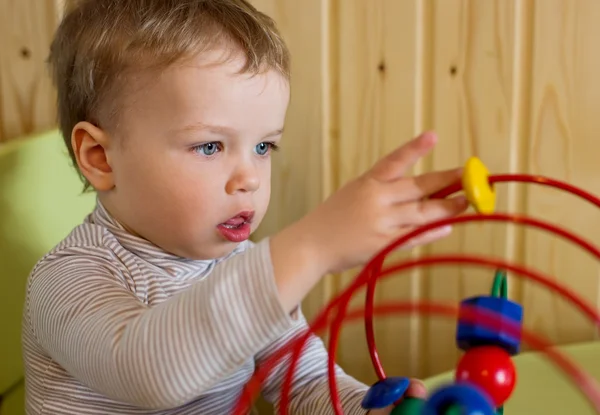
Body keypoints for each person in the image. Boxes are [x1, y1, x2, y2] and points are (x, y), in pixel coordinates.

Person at [22, 0, 469, 414]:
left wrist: (363, 407)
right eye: (210, 146)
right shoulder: (68, 279)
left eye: (263, 146)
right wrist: (312, 245)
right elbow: (148, 372)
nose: (250, 178)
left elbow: (301, 377)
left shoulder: (239, 261)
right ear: (101, 158)